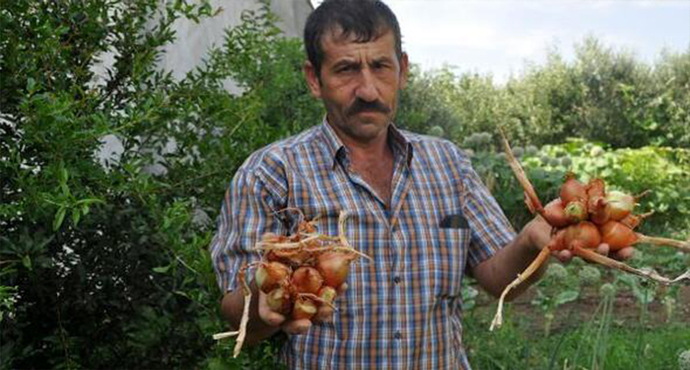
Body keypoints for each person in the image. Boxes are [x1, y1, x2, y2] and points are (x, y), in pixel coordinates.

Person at [209, 0, 632, 368]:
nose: (368, 89)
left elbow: (498, 280)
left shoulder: (447, 162)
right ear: (314, 79)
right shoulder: (271, 171)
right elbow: (234, 310)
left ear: (403, 69)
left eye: (381, 66)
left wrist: (533, 241)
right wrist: (265, 308)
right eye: (345, 70)